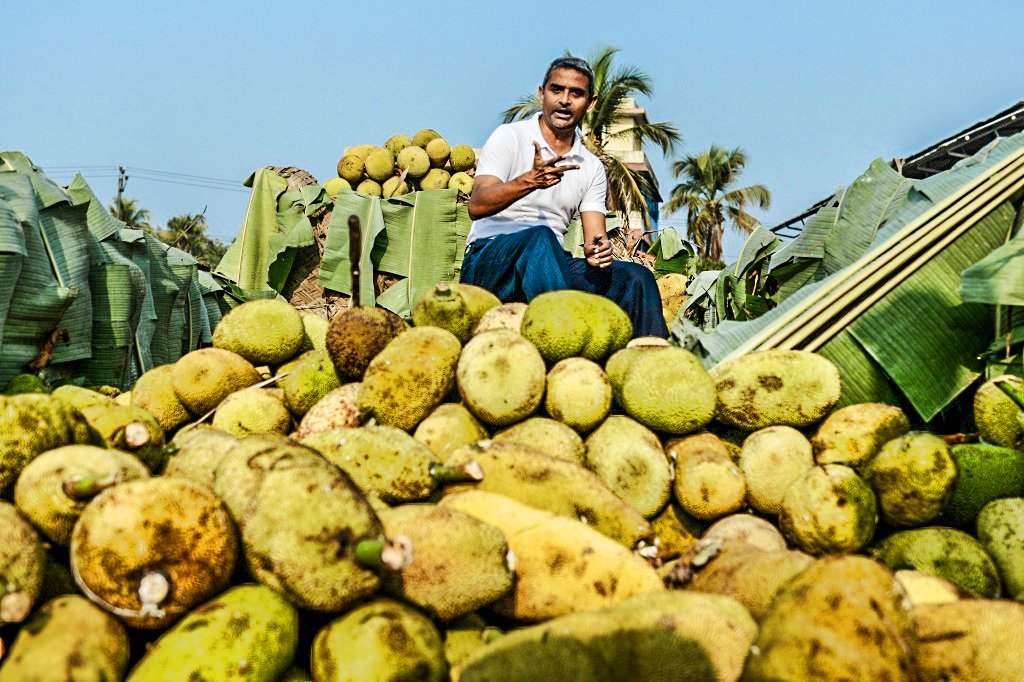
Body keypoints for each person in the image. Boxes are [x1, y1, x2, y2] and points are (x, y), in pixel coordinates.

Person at [461, 56, 669, 339]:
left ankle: (652, 364)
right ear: (542, 94)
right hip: (490, 261)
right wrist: (528, 181)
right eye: (556, 90)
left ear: (591, 103)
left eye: (576, 93)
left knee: (637, 278)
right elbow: (477, 204)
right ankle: (564, 342)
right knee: (540, 238)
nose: (564, 100)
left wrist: (600, 251)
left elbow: (595, 237)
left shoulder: (591, 166)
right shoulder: (510, 136)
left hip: (549, 268)